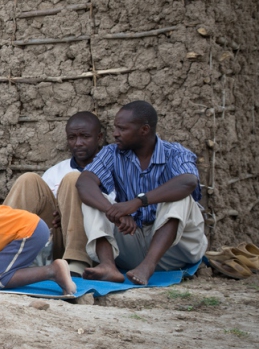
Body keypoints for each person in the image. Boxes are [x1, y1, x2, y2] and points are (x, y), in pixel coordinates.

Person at [75, 101, 208, 285]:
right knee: (94, 199)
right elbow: (84, 182)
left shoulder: (175, 153)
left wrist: (138, 202)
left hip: (176, 251)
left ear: (144, 130)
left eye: (122, 129)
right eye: (115, 128)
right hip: (131, 240)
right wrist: (115, 212)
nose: (115, 133)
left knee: (180, 195)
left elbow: (189, 181)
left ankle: (148, 266)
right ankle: (108, 265)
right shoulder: (112, 153)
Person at [3, 111, 108, 274]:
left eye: (85, 137)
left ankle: (77, 260)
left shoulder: (111, 170)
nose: (78, 143)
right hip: (56, 238)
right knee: (28, 179)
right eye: (72, 138)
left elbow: (113, 210)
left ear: (99, 137)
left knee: (74, 180)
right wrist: (59, 212)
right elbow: (43, 208)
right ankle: (1, 249)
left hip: (93, 243)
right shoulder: (56, 171)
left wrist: (70, 211)